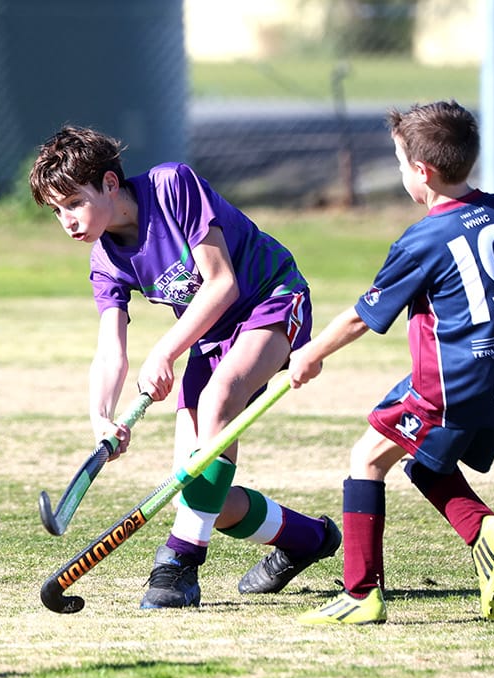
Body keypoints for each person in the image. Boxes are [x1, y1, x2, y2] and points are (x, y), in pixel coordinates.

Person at [29, 125, 341, 610]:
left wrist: (166, 352)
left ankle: (180, 563)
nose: (67, 220)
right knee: (193, 489)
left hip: (271, 298)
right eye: (56, 211)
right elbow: (110, 349)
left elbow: (221, 285)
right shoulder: (105, 261)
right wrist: (101, 417)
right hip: (212, 335)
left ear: (110, 183)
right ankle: (306, 538)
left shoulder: (172, 186)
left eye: (73, 202)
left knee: (219, 401)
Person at [290, 100, 494, 625]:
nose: (400, 175)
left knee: (367, 459)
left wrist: (309, 354)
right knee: (426, 462)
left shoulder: (422, 239)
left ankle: (360, 593)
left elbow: (362, 318)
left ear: (423, 171)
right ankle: (483, 531)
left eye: (399, 165)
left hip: (449, 383)